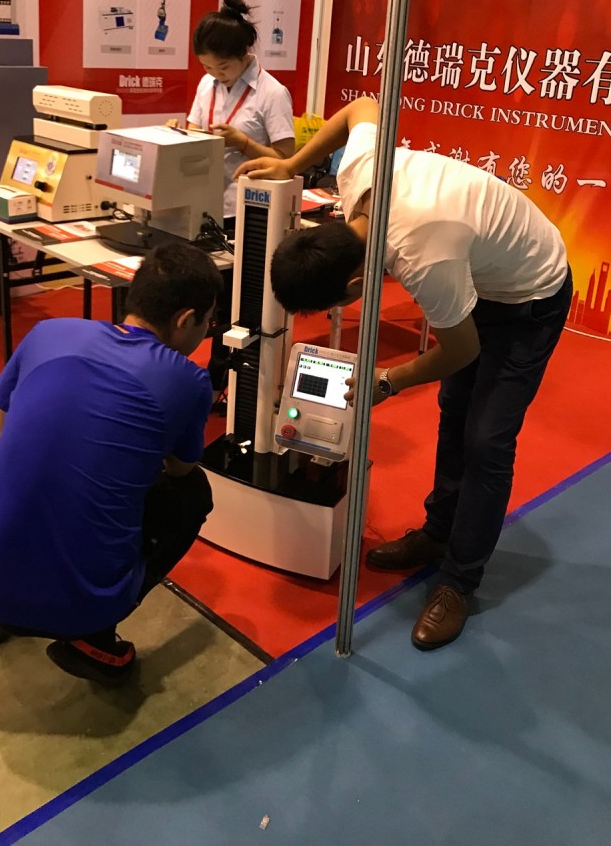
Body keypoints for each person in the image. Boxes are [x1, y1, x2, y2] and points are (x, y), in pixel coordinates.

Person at [236, 97, 572, 651]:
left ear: (353, 289)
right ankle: (438, 534)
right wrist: (290, 165)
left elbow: (461, 350)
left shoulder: (423, 256)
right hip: (482, 275)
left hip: (531, 295)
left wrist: (388, 381)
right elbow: (363, 107)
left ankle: (459, 581)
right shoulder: (357, 174)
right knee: (454, 409)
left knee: (487, 440)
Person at [0, 243, 222, 685]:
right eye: (208, 323)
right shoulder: (189, 380)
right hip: (85, 607)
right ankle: (95, 637)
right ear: (186, 320)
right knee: (194, 491)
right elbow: (179, 470)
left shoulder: (49, 333)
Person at [169, 0, 295, 403]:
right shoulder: (207, 84)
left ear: (244, 55)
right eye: (207, 66)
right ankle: (182, 378)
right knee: (197, 297)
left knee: (234, 307)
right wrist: (179, 133)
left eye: (222, 66)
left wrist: (242, 143)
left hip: (247, 213)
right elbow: (196, 131)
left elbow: (287, 159)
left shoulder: (271, 93)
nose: (215, 74)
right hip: (204, 207)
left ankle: (221, 383)